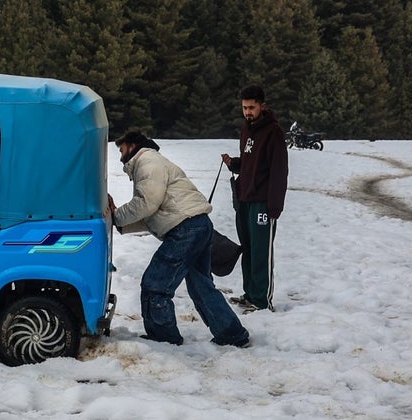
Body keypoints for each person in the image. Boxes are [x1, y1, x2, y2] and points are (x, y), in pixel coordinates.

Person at [110, 130, 250, 347]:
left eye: (121, 149)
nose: (120, 155)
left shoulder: (146, 161)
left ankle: (163, 338)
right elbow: (154, 212)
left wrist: (115, 216)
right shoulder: (150, 162)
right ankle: (232, 334)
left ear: (132, 145)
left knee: (155, 284)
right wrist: (120, 223)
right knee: (201, 286)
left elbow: (147, 203)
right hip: (197, 225)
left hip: (185, 230)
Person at [220, 85, 288, 311]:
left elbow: (279, 171)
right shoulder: (246, 129)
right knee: (247, 249)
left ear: (262, 106)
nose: (247, 112)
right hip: (245, 200)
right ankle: (249, 294)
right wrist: (235, 163)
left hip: (263, 202)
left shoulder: (273, 132)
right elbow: (251, 164)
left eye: (251, 107)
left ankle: (261, 300)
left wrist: (274, 207)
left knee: (261, 252)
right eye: (244, 108)